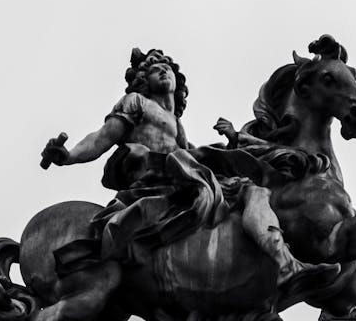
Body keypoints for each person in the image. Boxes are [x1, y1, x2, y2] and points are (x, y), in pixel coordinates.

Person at [41, 48, 338, 294]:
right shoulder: (136, 102)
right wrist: (67, 156)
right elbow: (102, 137)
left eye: (167, 67)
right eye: (154, 68)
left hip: (182, 173)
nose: (162, 71)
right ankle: (284, 265)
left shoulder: (176, 124)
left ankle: (280, 262)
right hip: (157, 176)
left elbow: (192, 152)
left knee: (250, 186)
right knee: (246, 188)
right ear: (143, 80)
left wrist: (234, 140)